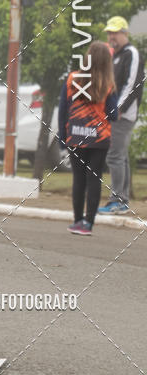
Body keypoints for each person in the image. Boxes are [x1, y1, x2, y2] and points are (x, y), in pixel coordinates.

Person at [58, 41, 118, 235]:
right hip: (99, 139)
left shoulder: (73, 79)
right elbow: (114, 114)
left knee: (78, 180)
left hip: (75, 136)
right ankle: (88, 224)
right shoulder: (108, 84)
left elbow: (63, 110)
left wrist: (62, 136)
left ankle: (77, 221)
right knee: (94, 179)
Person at [98, 16, 144, 215]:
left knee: (114, 156)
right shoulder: (115, 55)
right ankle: (121, 201)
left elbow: (132, 85)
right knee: (121, 156)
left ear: (125, 33)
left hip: (123, 115)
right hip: (115, 112)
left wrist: (117, 110)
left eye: (115, 32)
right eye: (109, 32)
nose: (111, 36)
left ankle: (117, 200)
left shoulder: (131, 54)